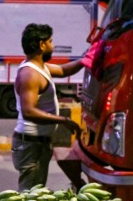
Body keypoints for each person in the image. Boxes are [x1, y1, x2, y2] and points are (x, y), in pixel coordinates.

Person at [12, 23, 84, 190]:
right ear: (42, 44)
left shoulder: (40, 67)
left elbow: (63, 70)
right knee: (30, 196)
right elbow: (28, 111)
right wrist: (64, 120)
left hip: (39, 143)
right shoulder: (29, 74)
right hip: (31, 144)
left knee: (35, 192)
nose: (52, 46)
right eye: (50, 42)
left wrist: (85, 60)